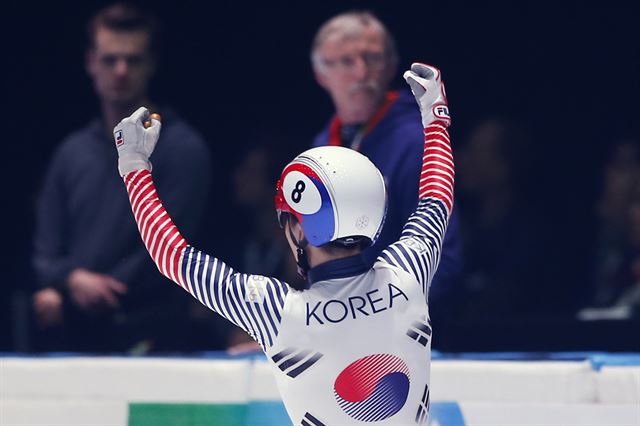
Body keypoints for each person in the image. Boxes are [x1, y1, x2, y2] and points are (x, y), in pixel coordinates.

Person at [112, 62, 453, 424]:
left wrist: (133, 164)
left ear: (301, 230)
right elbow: (436, 199)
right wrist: (436, 118)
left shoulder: (276, 310)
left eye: (287, 220)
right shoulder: (409, 272)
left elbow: (171, 256)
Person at [31, 3, 214, 353]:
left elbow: (168, 247)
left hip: (154, 335)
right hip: (78, 337)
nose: (120, 71)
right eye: (109, 59)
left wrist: (94, 289)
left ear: (151, 64)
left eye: (133, 60)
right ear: (90, 62)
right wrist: (70, 280)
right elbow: (45, 252)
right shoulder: (71, 152)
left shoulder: (181, 148)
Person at [310, 11, 462, 319]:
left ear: (392, 66)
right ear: (321, 74)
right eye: (345, 61)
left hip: (399, 332)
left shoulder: (416, 140)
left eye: (373, 58)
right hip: (337, 325)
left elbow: (443, 259)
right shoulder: (321, 146)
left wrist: (369, 321)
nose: (362, 72)